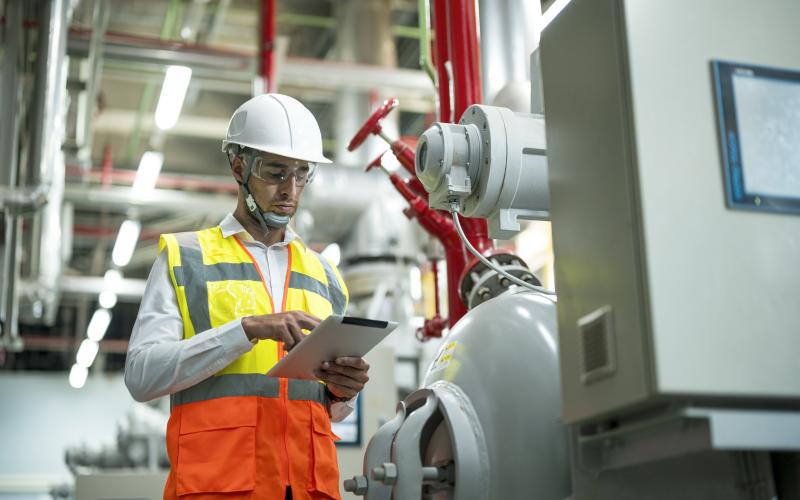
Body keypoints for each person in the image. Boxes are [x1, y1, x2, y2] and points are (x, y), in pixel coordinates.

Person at [125, 94, 370, 500]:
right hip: (219, 488)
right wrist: (249, 329)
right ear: (239, 166)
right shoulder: (186, 259)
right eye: (276, 172)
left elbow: (329, 410)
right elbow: (142, 376)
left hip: (310, 490)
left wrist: (345, 389)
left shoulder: (325, 275)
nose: (290, 190)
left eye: (301, 174)